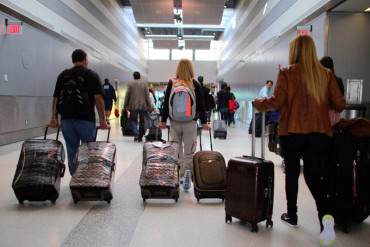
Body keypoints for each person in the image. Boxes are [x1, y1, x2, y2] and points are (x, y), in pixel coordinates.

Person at [253, 35, 345, 246]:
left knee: (292, 174)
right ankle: (326, 220)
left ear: (294, 51)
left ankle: (292, 215)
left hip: (292, 133)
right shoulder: (325, 74)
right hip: (319, 134)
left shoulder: (287, 72)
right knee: (315, 178)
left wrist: (258, 103)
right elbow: (339, 104)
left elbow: (277, 102)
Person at [48, 49, 108, 175]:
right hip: (86, 120)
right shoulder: (91, 75)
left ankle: (75, 178)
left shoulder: (63, 75)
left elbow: (55, 98)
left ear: (73, 60)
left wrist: (53, 118)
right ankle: (85, 180)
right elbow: (98, 99)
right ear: (85, 60)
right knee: (88, 150)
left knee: (72, 150)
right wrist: (103, 120)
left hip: (66, 120)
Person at [159, 59, 209, 191]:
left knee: (176, 150)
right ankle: (187, 173)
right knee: (189, 152)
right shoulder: (194, 83)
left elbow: (165, 104)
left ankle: (177, 174)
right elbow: (201, 105)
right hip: (190, 123)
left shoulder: (172, 82)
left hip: (174, 122)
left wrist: (163, 121)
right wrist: (204, 122)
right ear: (190, 69)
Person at [123, 71, 153, 142]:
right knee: (142, 122)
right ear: (140, 76)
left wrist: (125, 105)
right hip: (143, 106)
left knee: (133, 120)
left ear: (133, 76)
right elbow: (147, 96)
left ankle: (136, 133)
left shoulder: (130, 83)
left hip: (133, 105)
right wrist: (150, 106)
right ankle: (140, 136)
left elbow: (127, 95)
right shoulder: (144, 84)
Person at [320, 56, 345, 125]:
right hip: (335, 117)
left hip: (321, 116)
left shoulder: (317, 82)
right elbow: (341, 99)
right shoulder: (338, 80)